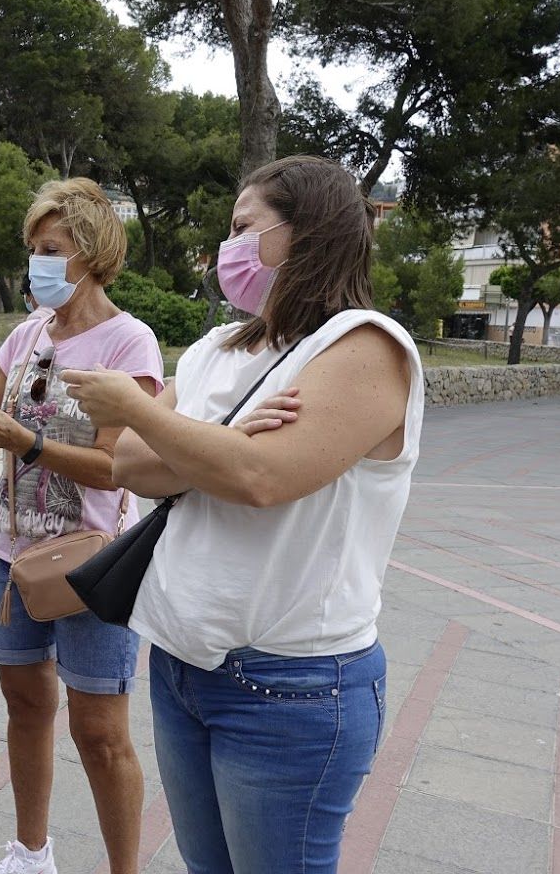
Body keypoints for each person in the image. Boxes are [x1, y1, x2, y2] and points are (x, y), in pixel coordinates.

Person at [61, 155, 424, 874]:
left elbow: (261, 478)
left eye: (242, 225)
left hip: (290, 686)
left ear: (308, 232)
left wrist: (144, 410)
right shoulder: (219, 347)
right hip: (181, 660)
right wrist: (222, 442)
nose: (226, 244)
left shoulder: (363, 345)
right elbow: (131, 464)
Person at [0, 178, 160, 874]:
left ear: (92, 254)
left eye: (52, 250)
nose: (36, 264)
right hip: (7, 550)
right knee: (22, 703)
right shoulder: (24, 335)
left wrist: (27, 443)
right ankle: (30, 853)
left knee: (100, 731)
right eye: (32, 249)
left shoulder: (129, 344)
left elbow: (114, 469)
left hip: (90, 563)